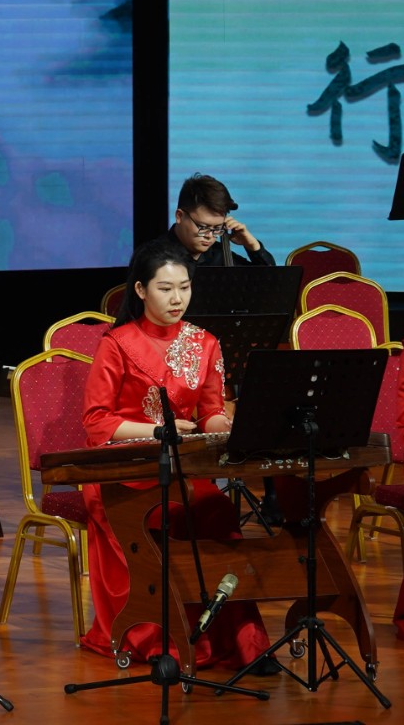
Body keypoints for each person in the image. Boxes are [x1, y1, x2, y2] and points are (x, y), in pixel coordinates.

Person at [78, 239, 269, 669]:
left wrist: (234, 427)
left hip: (180, 467)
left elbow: (211, 414)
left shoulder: (206, 342)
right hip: (122, 471)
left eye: (184, 287)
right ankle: (161, 636)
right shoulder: (117, 343)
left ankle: (240, 639)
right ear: (141, 290)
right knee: (156, 516)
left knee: (217, 510)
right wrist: (158, 431)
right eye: (165, 289)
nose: (177, 298)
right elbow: (97, 422)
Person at [150, 173, 274, 267]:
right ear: (179, 216)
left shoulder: (220, 255)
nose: (210, 236)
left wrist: (253, 246)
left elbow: (269, 283)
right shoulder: (152, 257)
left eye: (217, 228)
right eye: (203, 227)